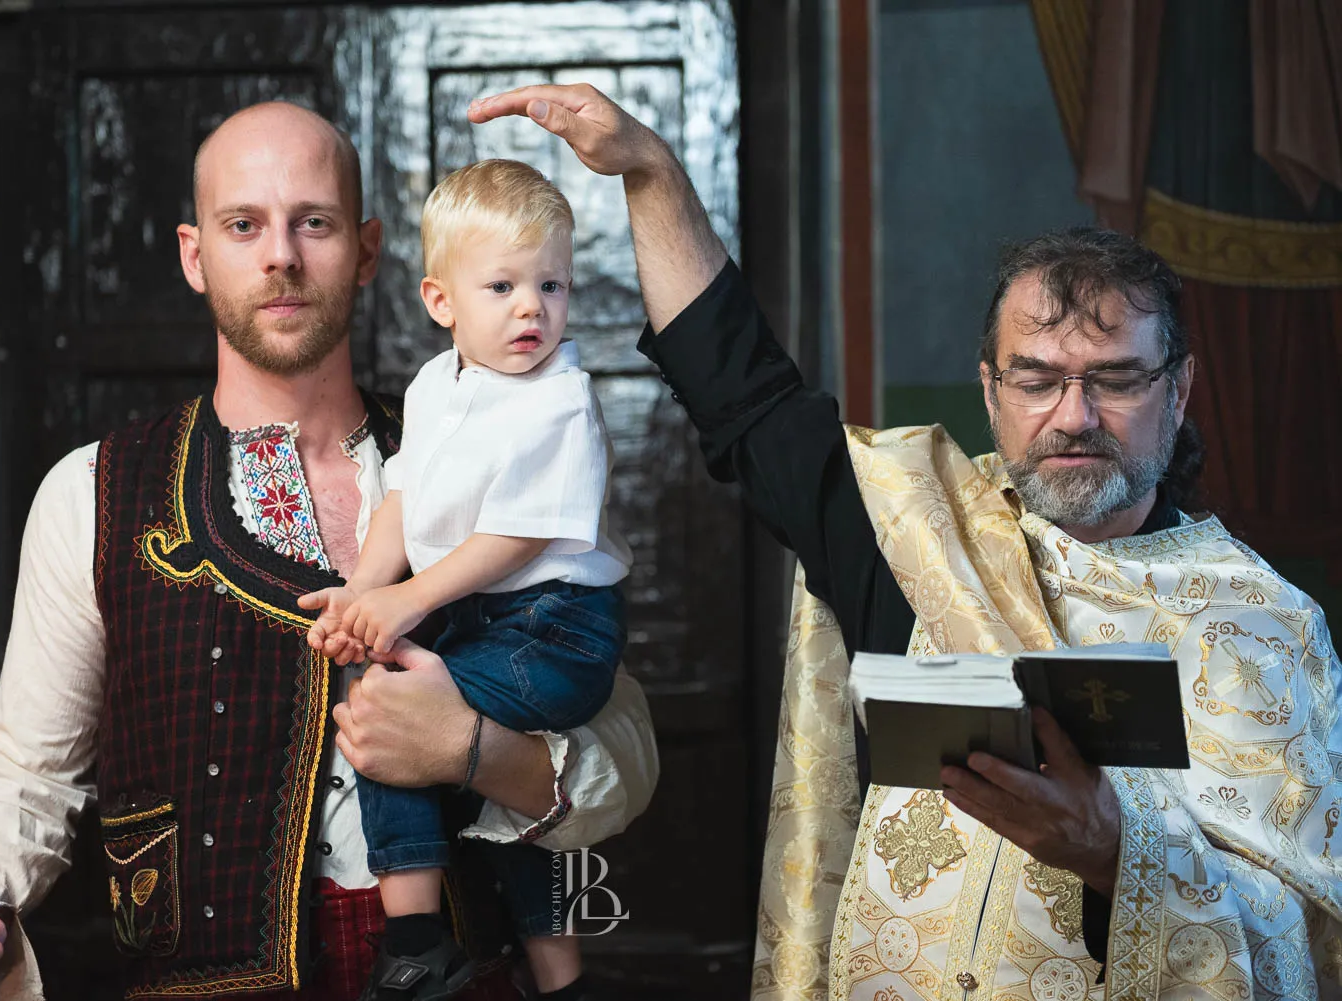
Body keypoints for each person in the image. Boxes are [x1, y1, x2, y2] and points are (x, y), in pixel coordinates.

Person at [468, 83, 1342, 1001]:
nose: (1074, 415)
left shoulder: (1269, 630)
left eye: (1115, 379)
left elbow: (1305, 946)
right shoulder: (920, 532)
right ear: (990, 389)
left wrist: (1116, 852)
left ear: (1180, 388)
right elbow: (745, 398)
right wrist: (649, 172)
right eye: (1037, 379)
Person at [0, 102, 657, 1001]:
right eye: (243, 225)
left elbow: (624, 753)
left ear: (366, 251)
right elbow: (27, 772)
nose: (281, 255)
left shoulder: (501, 450)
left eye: (314, 223)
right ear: (194, 255)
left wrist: (469, 749)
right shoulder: (91, 492)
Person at [300, 159, 630, 1000]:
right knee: (501, 800)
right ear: (441, 301)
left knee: (393, 718)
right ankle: (554, 977)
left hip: (557, 628)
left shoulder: (560, 399)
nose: (532, 308)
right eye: (503, 286)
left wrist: (408, 599)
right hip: (484, 617)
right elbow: (402, 500)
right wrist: (362, 590)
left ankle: (415, 941)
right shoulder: (434, 387)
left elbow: (520, 535)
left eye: (551, 284)